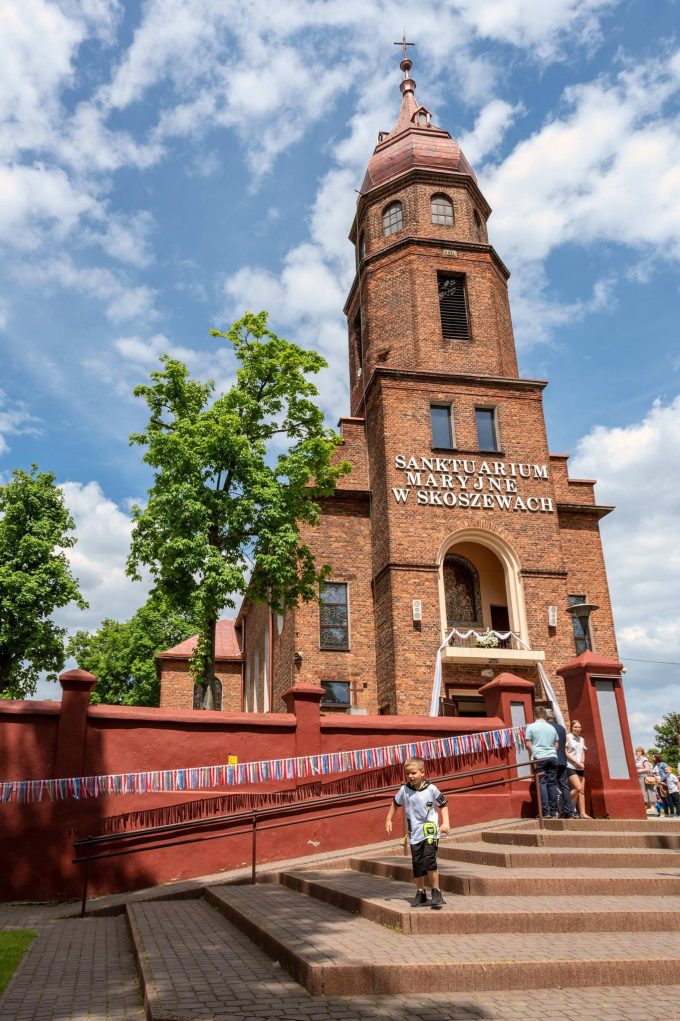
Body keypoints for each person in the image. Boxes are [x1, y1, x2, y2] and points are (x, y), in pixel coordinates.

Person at [385, 756, 450, 909]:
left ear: (422, 772)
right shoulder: (404, 790)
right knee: (417, 864)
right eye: (408, 773)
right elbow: (395, 804)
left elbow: (444, 805)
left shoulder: (431, 789)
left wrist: (445, 822)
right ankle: (420, 893)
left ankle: (436, 891)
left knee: (429, 860)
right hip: (414, 834)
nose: (410, 776)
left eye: (413, 773)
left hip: (430, 832)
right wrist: (389, 819)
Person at [524, 706, 559, 819]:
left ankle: (546, 812)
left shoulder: (531, 727)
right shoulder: (552, 728)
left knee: (542, 783)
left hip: (540, 757)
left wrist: (535, 754)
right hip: (553, 757)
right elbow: (556, 744)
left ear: (534, 715)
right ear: (545, 715)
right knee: (552, 784)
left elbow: (528, 744)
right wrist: (551, 751)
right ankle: (554, 812)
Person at [546, 708, 577, 818]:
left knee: (552, 784)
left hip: (552, 759)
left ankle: (553, 811)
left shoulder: (547, 728)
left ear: (545, 717)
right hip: (563, 761)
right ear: (553, 717)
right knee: (564, 786)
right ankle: (569, 811)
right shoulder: (561, 728)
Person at [565, 719, 590, 818]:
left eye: (579, 727)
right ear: (571, 728)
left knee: (582, 791)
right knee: (577, 788)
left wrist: (582, 762)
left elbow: (583, 752)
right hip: (570, 766)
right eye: (575, 727)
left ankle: (582, 813)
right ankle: (564, 804)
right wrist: (576, 762)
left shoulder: (581, 739)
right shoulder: (568, 737)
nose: (577, 729)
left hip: (580, 767)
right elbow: (566, 752)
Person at [635, 746, 656, 813]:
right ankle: (648, 806)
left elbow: (647, 768)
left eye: (638, 751)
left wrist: (639, 771)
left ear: (641, 752)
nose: (636, 753)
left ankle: (653, 807)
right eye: (636, 751)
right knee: (643, 792)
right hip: (639, 777)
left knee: (649, 791)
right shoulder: (637, 759)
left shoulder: (644, 759)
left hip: (645, 777)